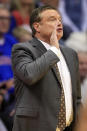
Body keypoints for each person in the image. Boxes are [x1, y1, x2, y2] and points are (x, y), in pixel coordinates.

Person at [12, 5, 81, 131]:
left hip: (69, 127)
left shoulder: (71, 54)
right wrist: (54, 50)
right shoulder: (22, 49)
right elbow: (29, 75)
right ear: (37, 26)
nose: (59, 23)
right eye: (52, 19)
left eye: (60, 19)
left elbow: (76, 97)